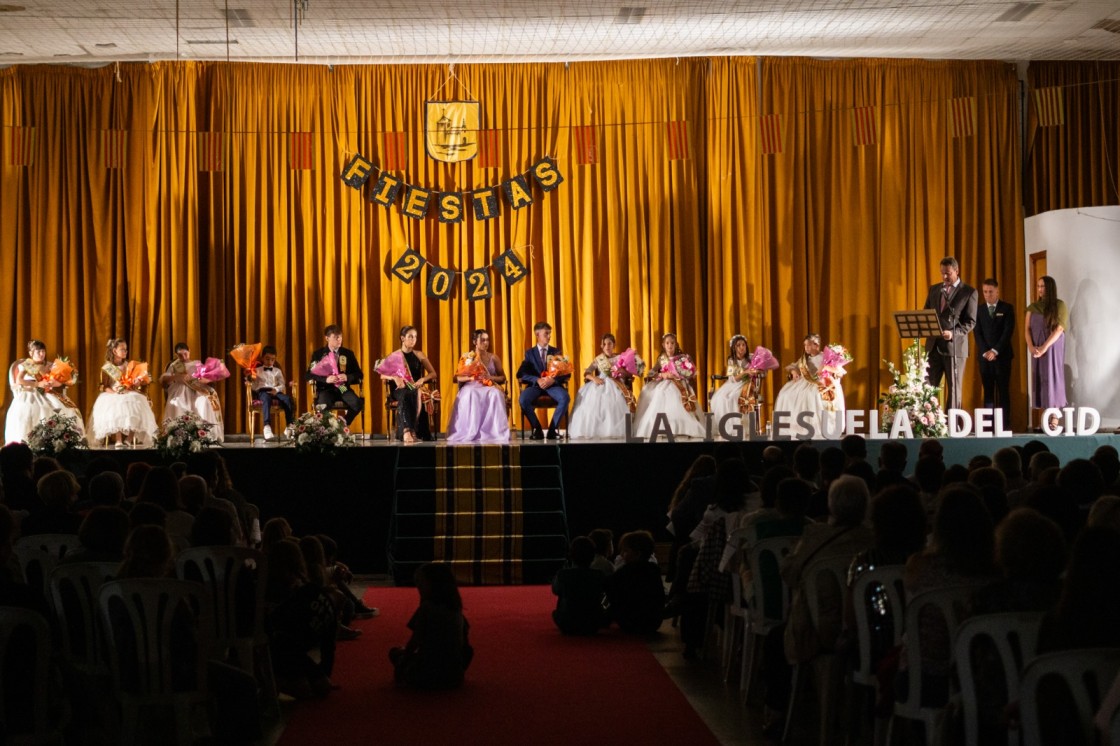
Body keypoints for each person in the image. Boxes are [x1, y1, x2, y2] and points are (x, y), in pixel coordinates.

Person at [389, 562, 474, 689]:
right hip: (454, 675)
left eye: (420, 583)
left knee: (395, 653)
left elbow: (415, 641)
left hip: (427, 674)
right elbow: (465, 645)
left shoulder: (427, 608)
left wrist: (401, 667)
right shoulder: (456, 609)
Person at [923, 256, 978, 411]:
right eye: (942, 273)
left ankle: (951, 425)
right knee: (928, 386)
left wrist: (953, 333)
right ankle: (929, 421)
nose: (944, 277)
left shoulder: (969, 292)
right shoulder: (934, 289)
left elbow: (970, 322)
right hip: (933, 346)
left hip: (954, 347)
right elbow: (926, 313)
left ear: (956, 270)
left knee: (954, 388)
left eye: (948, 273)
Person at [5, 339, 85, 444]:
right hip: (30, 392)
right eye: (38, 351)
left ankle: (61, 440)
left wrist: (52, 383)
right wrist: (37, 384)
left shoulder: (50, 365)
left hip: (47, 393)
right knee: (36, 408)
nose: (41, 354)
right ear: (31, 353)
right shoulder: (29, 364)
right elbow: (19, 380)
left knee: (66, 408)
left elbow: (59, 382)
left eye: (43, 351)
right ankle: (31, 441)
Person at [87, 337, 158, 448]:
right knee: (117, 407)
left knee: (138, 403)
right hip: (113, 393)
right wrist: (114, 392)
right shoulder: (107, 367)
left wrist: (137, 382)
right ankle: (118, 440)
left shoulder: (129, 365)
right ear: (115, 351)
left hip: (129, 391)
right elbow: (103, 386)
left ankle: (129, 439)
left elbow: (139, 380)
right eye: (122, 349)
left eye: (126, 349)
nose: (125, 352)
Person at [632, 332, 705, 439]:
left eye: (672, 343)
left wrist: (688, 374)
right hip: (665, 382)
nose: (670, 345)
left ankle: (681, 427)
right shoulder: (662, 359)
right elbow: (651, 373)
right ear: (663, 345)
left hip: (679, 383)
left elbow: (690, 372)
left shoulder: (681, 358)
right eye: (667, 343)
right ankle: (660, 427)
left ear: (676, 344)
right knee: (660, 393)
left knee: (677, 395)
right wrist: (662, 374)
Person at [772, 333, 844, 439]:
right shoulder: (804, 359)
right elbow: (792, 366)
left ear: (816, 345)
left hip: (821, 382)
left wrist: (825, 368)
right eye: (805, 345)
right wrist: (794, 371)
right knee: (785, 393)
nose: (806, 348)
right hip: (805, 382)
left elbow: (839, 371)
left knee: (812, 394)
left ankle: (817, 426)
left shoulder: (825, 356)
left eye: (809, 345)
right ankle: (794, 426)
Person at [446, 328, 510, 443]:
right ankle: (470, 431)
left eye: (487, 340)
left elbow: (503, 378)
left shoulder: (493, 358)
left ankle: (493, 432)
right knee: (471, 394)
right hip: (471, 386)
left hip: (488, 385)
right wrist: (471, 377)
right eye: (482, 340)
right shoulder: (467, 358)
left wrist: (491, 378)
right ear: (475, 342)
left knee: (495, 393)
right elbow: (457, 378)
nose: (486, 343)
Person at [377, 325, 438, 443]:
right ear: (402, 338)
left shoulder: (419, 354)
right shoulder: (394, 355)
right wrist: (394, 377)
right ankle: (406, 431)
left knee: (415, 393)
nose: (413, 340)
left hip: (415, 387)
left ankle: (412, 430)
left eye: (415, 337)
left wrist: (422, 380)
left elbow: (433, 373)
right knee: (406, 395)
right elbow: (382, 375)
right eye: (410, 337)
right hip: (399, 389)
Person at [567, 333, 634, 439]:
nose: (607, 346)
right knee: (592, 402)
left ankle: (612, 430)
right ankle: (594, 430)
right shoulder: (598, 359)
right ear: (602, 346)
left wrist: (621, 371)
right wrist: (594, 378)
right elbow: (587, 373)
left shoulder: (620, 358)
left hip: (616, 384)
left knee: (613, 403)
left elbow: (629, 373)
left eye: (610, 344)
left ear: (614, 345)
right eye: (605, 344)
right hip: (600, 382)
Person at [1024, 275, 1068, 425]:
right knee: (1041, 377)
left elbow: (1059, 329)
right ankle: (1047, 414)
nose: (1040, 289)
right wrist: (1031, 347)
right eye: (1038, 286)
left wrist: (1044, 347)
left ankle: (1055, 416)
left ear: (1050, 288)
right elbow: (1027, 330)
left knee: (1053, 376)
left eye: (1043, 286)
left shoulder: (1060, 305)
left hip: (1053, 346)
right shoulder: (1032, 307)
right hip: (1037, 347)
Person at [516, 321, 571, 440]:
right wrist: (537, 379)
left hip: (553, 386)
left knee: (565, 397)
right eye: (546, 333)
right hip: (536, 387)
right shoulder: (529, 353)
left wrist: (553, 379)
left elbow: (565, 373)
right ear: (537, 335)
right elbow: (521, 374)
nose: (549, 336)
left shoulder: (556, 352)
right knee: (523, 399)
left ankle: (552, 430)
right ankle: (537, 429)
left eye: (550, 333)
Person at [160, 342, 224, 442]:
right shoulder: (174, 365)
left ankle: (203, 433)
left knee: (203, 401)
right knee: (178, 402)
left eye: (185, 354)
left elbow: (207, 377)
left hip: (197, 390)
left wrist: (204, 379)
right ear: (176, 355)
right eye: (180, 355)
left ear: (189, 351)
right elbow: (164, 380)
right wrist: (176, 377)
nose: (184, 357)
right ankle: (178, 434)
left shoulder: (197, 363)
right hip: (180, 390)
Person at [603, 530, 665, 634]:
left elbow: (607, 586)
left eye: (625, 551)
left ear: (637, 554)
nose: (622, 555)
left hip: (630, 622)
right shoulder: (654, 569)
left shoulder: (626, 571)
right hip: (654, 622)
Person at [975, 278, 1015, 425]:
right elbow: (977, 332)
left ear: (997, 291)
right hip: (985, 358)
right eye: (985, 292)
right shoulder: (979, 310)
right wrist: (985, 351)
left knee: (1003, 391)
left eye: (990, 292)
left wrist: (995, 350)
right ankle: (988, 424)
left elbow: (1007, 332)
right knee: (988, 392)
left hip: (1002, 357)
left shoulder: (1007, 308)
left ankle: (1004, 424)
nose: (987, 295)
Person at [308, 324, 364, 426]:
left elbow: (359, 374)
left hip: (342, 387)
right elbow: (309, 375)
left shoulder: (348, 353)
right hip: (326, 388)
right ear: (327, 338)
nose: (339, 340)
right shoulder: (318, 354)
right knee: (323, 406)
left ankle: (342, 424)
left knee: (357, 403)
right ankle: (328, 429)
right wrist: (326, 379)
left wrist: (348, 377)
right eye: (335, 337)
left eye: (340, 337)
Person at [551, 536, 608, 635]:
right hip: (593, 624)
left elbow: (555, 590)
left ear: (571, 555)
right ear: (593, 556)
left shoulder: (563, 574)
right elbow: (606, 597)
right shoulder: (599, 575)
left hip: (567, 623)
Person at [709, 334, 762, 427]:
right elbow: (733, 378)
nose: (741, 347)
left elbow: (762, 370)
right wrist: (745, 372)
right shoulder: (731, 360)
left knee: (734, 397)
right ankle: (726, 425)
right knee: (721, 398)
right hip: (734, 384)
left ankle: (740, 426)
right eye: (738, 345)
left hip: (747, 384)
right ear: (734, 348)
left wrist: (756, 371)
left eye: (743, 345)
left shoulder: (751, 357)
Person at [251, 345, 295, 440]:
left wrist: (277, 390)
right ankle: (267, 426)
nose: (270, 362)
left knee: (287, 399)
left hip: (275, 391)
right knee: (266, 399)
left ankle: (289, 425)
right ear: (262, 358)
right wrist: (250, 380)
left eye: (272, 359)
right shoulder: (256, 371)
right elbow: (254, 387)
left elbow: (282, 384)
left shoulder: (277, 371)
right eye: (267, 359)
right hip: (262, 392)